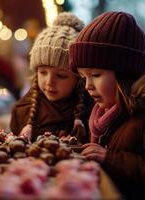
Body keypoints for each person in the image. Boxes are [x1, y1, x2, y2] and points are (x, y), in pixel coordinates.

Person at [69, 11, 145, 199]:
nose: (88, 86)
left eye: (96, 75)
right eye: (84, 77)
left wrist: (108, 158)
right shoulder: (109, 111)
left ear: (125, 72)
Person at [10, 12, 93, 143]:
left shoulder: (92, 111)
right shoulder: (22, 110)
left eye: (61, 75)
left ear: (79, 78)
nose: (49, 82)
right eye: (43, 72)